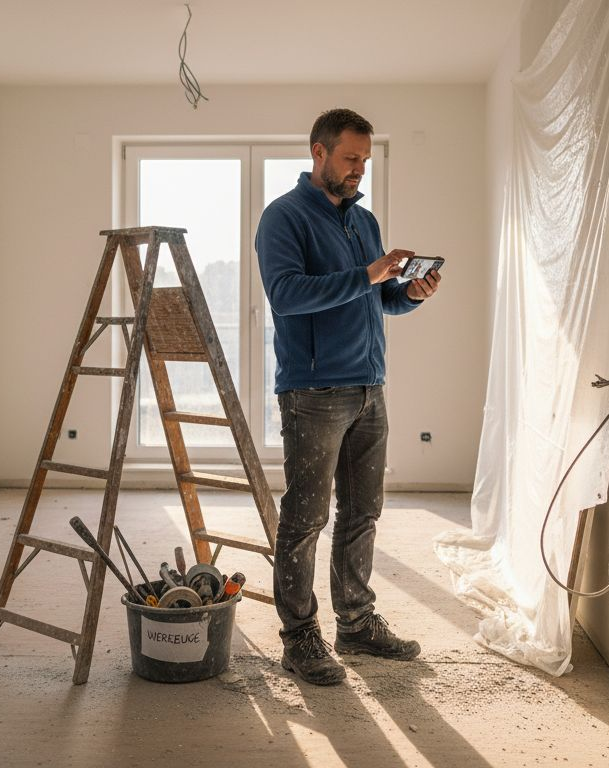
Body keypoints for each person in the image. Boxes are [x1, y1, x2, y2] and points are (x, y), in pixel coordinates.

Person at [255, 108, 442, 686]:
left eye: (365, 159)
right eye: (350, 158)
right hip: (313, 391)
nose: (359, 169)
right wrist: (366, 275)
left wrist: (408, 293)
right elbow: (286, 295)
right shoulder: (282, 218)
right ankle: (299, 635)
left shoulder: (365, 222)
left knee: (362, 514)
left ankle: (356, 623)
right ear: (318, 153)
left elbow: (374, 301)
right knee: (305, 517)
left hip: (369, 386)